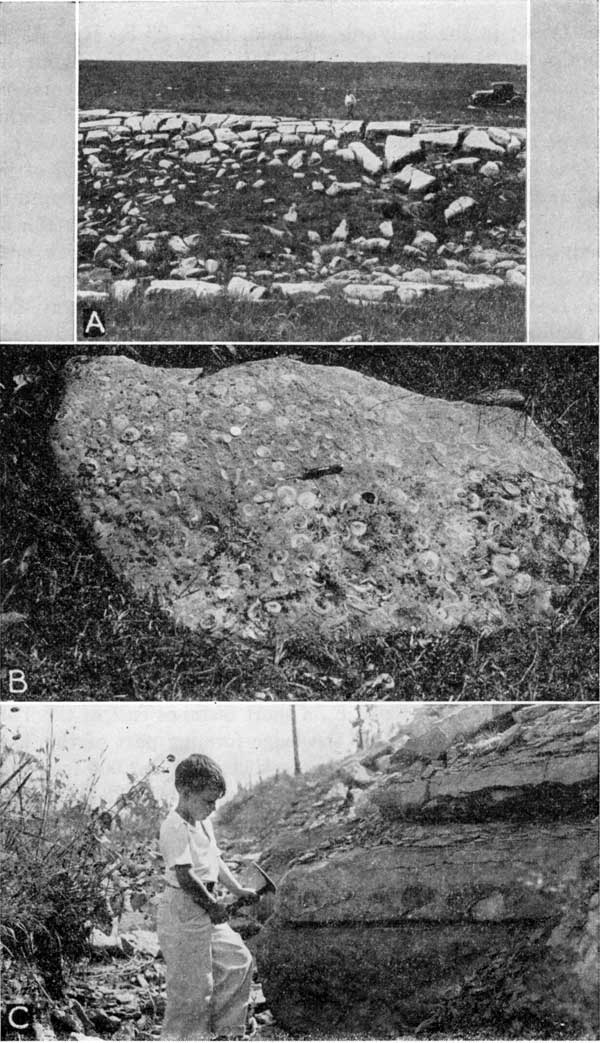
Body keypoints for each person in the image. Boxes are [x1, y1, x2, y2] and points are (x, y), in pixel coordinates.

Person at [157, 754, 258, 1040]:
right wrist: (213, 907)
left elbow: (214, 860)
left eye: (215, 802)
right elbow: (185, 876)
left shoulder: (203, 823)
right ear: (185, 793)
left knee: (238, 960)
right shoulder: (174, 826)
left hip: (204, 907)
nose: (212, 809)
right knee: (191, 989)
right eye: (207, 801)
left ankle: (226, 1032)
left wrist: (238, 890)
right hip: (183, 909)